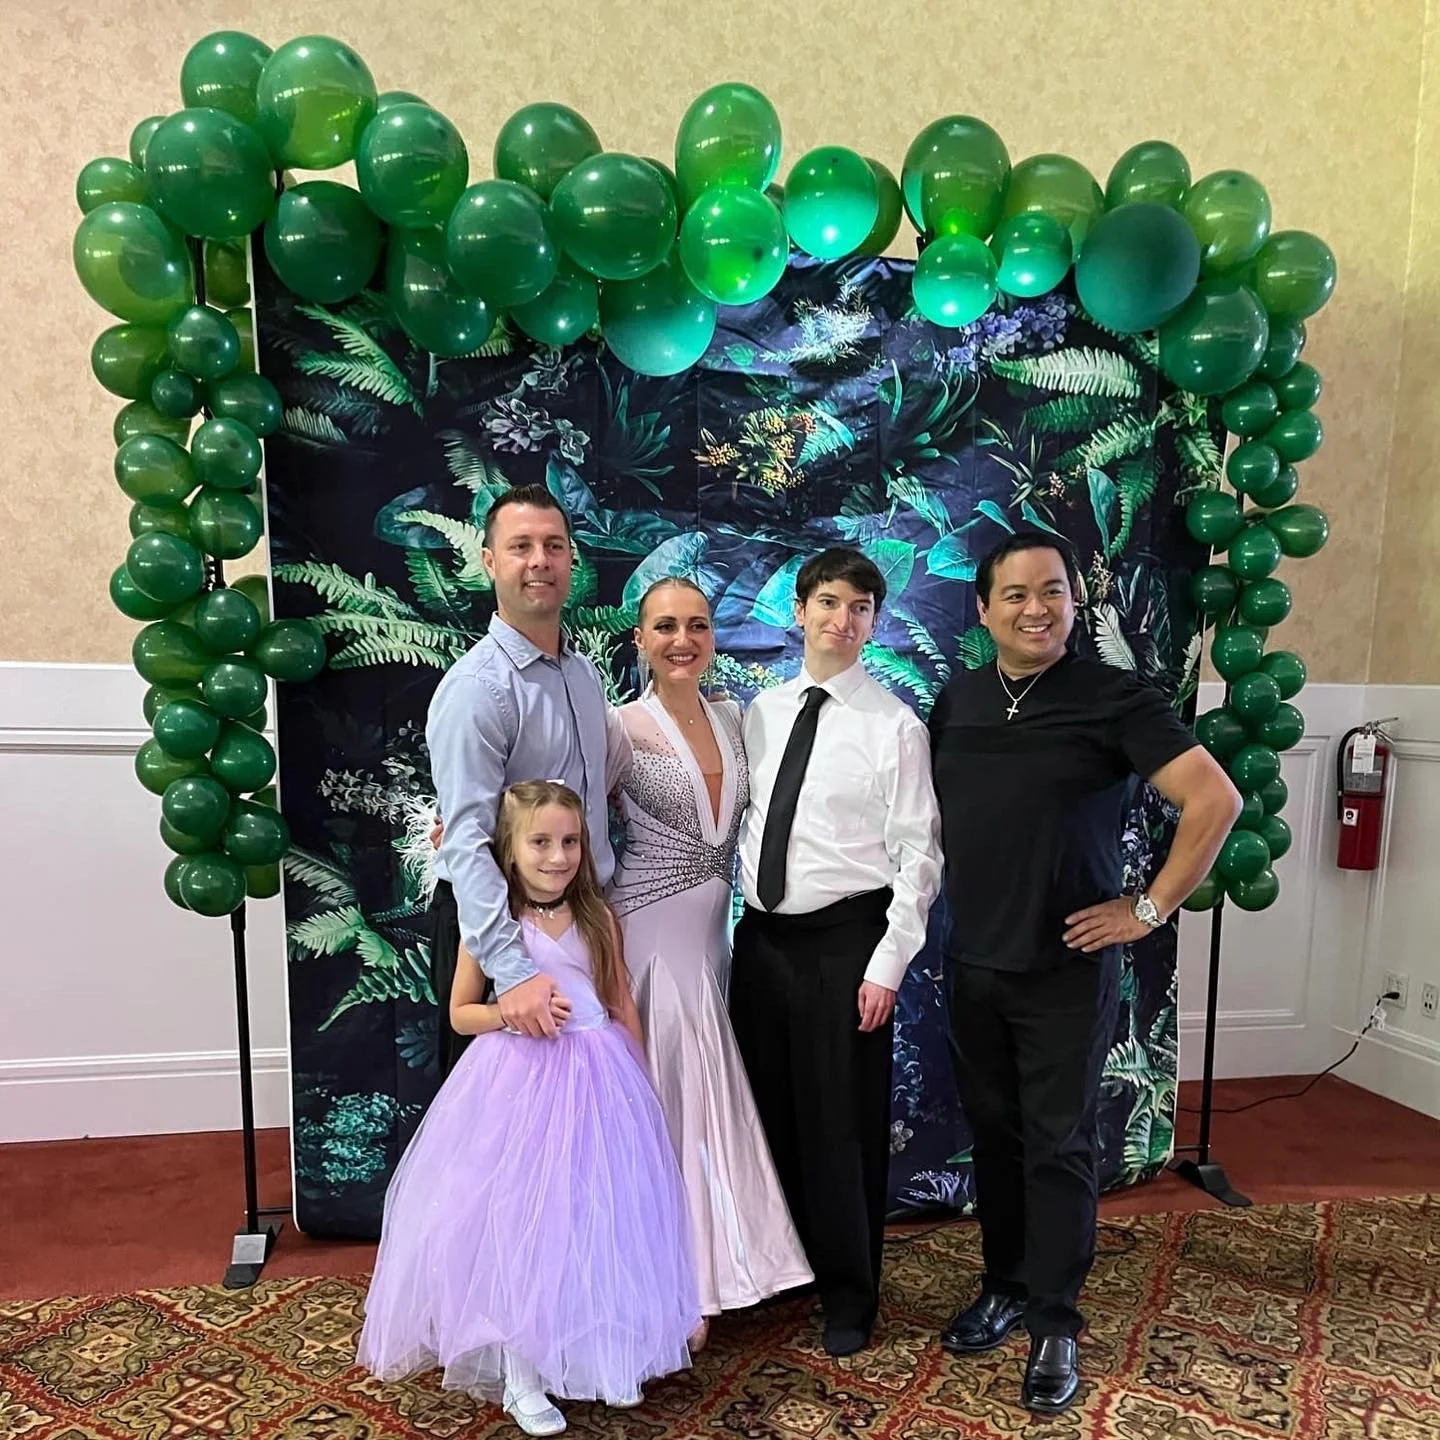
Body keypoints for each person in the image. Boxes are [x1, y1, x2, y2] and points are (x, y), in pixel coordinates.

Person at [927, 532, 1242, 1414]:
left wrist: (1150, 907)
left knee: (1059, 1146)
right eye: (1016, 594)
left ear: (1074, 600)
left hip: (1064, 970)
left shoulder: (1114, 698)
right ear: (983, 609)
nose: (1037, 609)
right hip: (971, 962)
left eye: (1053, 591)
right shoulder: (957, 701)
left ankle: (1055, 1322)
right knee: (996, 1138)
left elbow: (1215, 798)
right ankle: (1005, 1286)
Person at [357, 781, 700, 1437]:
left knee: (599, 1214)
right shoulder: (493, 924)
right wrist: (512, 1015)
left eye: (569, 842)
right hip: (520, 1082)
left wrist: (642, 1082)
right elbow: (462, 1013)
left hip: (600, 1076)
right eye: (540, 842)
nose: (557, 856)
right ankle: (522, 1370)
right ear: (509, 850)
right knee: (524, 1221)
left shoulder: (598, 917)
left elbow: (619, 1002)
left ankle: (601, 1352)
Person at [730, 547, 943, 1357]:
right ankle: (784, 1270)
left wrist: (885, 966)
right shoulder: (761, 712)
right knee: (768, 1112)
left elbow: (919, 859)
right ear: (799, 611)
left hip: (845, 945)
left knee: (840, 1124)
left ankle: (851, 1293)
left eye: (859, 608)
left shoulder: (895, 728)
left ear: (874, 623)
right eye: (828, 602)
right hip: (762, 943)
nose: (841, 620)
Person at [611, 577, 813, 1345]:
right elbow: (564, 817)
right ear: (640, 639)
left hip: (712, 942)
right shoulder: (617, 726)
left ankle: (711, 1267)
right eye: (665, 626)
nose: (682, 640)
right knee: (665, 1100)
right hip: (646, 939)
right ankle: (667, 1287)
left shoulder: (735, 718)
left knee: (703, 1100)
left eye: (697, 625)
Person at [426, 484, 628, 1063]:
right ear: (490, 561)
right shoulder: (477, 689)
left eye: (554, 545)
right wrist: (511, 972)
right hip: (500, 940)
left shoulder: (583, 676)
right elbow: (467, 841)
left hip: (578, 925)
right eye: (521, 546)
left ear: (571, 560)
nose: (540, 560)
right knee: (501, 1116)